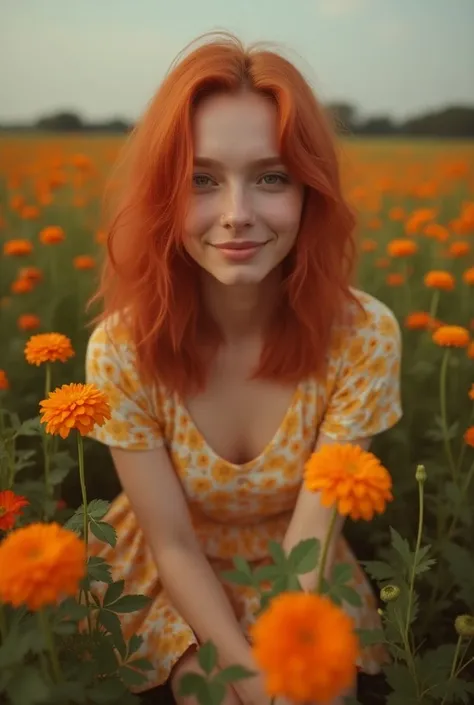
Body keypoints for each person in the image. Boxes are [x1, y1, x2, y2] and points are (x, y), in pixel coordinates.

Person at [85, 32, 402, 705]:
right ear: (165, 195)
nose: (237, 215)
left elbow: (314, 531)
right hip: (169, 571)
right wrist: (249, 677)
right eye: (202, 180)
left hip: (298, 564)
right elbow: (170, 543)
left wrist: (287, 668)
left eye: (270, 176)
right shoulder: (122, 348)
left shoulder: (364, 335)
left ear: (309, 190)